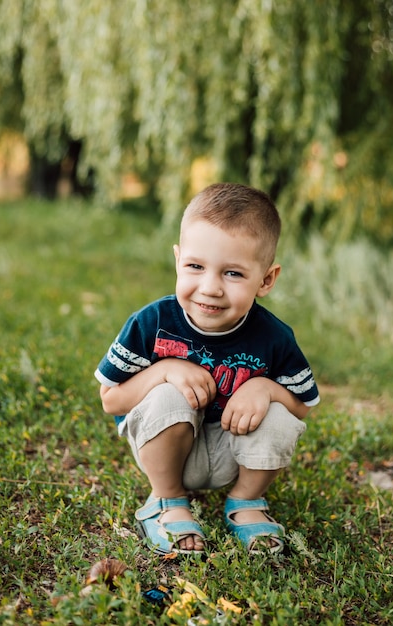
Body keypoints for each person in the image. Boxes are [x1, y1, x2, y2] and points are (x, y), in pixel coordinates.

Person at [95, 182, 319, 555]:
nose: (210, 287)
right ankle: (166, 501)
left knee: (279, 412)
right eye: (196, 267)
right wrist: (164, 369)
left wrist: (265, 389)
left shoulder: (274, 337)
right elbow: (110, 400)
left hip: (237, 455)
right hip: (172, 453)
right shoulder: (152, 323)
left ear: (266, 279)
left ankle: (246, 503)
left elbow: (302, 406)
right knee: (167, 395)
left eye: (232, 273)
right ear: (178, 260)